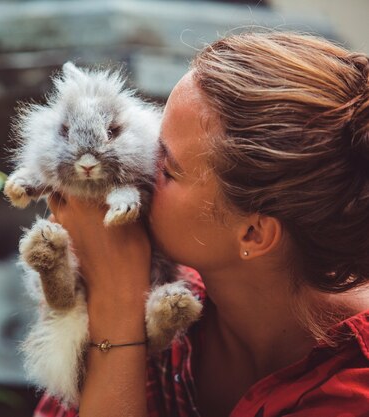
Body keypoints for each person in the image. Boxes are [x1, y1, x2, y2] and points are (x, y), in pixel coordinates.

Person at [33, 31, 369, 417]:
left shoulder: (350, 395)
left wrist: (116, 302)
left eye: (169, 167)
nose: (141, 165)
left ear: (254, 234)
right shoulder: (173, 301)